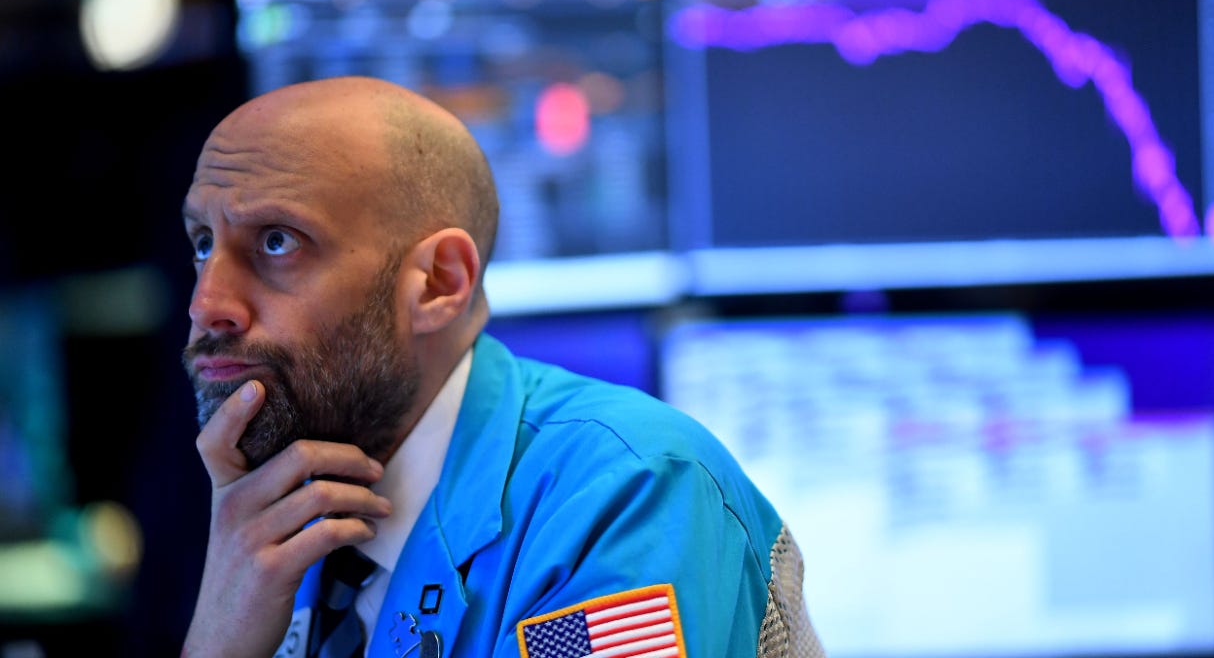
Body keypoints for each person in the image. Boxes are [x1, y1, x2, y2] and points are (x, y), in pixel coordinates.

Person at [178, 74, 824, 658]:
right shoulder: (270, 526)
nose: (208, 304)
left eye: (276, 241)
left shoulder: (619, 492)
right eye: (204, 243)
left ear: (438, 283)